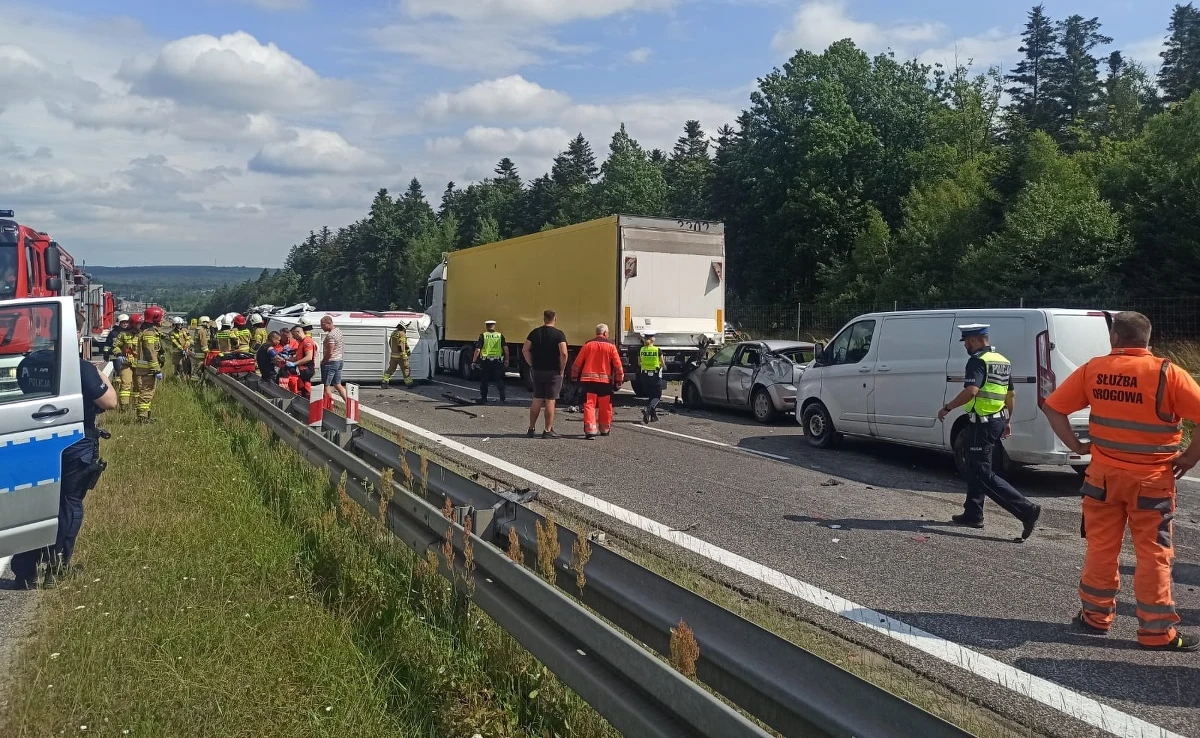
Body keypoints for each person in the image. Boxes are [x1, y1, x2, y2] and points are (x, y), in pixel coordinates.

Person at [1042, 311, 1200, 651]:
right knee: (1153, 555)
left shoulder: (1094, 369)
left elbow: (1053, 407)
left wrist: (1076, 446)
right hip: (1152, 482)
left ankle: (1095, 617)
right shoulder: (1167, 373)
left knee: (1101, 548)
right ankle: (1157, 633)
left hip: (1102, 478)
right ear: (1147, 340)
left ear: (1114, 338)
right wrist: (1189, 458)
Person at [11, 322, 117, 589]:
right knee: (69, 503)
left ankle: (25, 572)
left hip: (35, 442)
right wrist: (100, 376)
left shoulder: (27, 365)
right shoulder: (79, 368)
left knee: (33, 503)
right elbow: (110, 402)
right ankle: (56, 567)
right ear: (74, 335)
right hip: (75, 441)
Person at [937, 324, 1041, 539]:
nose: (965, 345)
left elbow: (971, 390)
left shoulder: (977, 361)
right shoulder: (1002, 361)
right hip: (997, 421)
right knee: (977, 466)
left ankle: (1026, 510)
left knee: (981, 473)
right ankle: (973, 514)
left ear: (974, 340)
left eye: (966, 342)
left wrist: (948, 407)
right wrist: (1007, 421)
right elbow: (1010, 394)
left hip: (982, 424)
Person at [571, 324, 624, 440]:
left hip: (589, 381)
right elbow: (618, 366)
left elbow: (577, 363)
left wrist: (574, 376)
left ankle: (590, 430)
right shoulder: (611, 346)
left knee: (589, 405)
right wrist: (619, 380)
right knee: (605, 405)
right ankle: (605, 429)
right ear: (605, 333)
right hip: (605, 381)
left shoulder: (588, 345)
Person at [522, 310, 568, 438]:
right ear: (555, 318)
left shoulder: (535, 333)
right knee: (550, 400)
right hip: (553, 371)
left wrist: (531, 363)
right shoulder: (559, 334)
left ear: (544, 319)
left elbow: (525, 349)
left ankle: (531, 428)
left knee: (537, 398)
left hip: (537, 371)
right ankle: (547, 430)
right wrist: (562, 368)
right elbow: (563, 353)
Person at [133, 306, 165, 423]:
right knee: (146, 392)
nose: (162, 321)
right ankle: (142, 417)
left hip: (148, 368)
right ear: (155, 318)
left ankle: (146, 415)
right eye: (161, 318)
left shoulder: (150, 332)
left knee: (149, 392)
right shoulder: (149, 334)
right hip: (148, 368)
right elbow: (150, 352)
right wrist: (156, 369)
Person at [473, 319, 508, 404]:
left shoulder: (483, 336)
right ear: (494, 326)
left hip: (486, 361)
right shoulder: (500, 336)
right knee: (498, 379)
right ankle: (502, 398)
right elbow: (505, 348)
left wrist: (474, 361)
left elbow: (478, 350)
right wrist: (507, 359)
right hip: (497, 361)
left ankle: (484, 398)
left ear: (486, 326)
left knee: (484, 380)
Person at [113, 313, 141, 411]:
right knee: (126, 384)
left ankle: (137, 406)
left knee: (138, 386)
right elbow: (116, 346)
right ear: (133, 324)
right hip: (126, 364)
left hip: (139, 364)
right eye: (138, 323)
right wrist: (119, 354)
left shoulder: (142, 335)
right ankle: (124, 407)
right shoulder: (124, 335)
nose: (140, 325)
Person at [319, 315, 348, 406]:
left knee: (326, 385)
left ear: (329, 323)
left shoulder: (331, 335)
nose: (321, 327)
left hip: (331, 362)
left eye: (323, 325)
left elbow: (330, 351)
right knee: (337, 384)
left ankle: (328, 406)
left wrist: (323, 361)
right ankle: (349, 403)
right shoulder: (338, 331)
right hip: (339, 360)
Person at [638, 331, 664, 424]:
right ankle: (648, 409)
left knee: (651, 396)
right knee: (657, 396)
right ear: (653, 339)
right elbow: (663, 364)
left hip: (644, 376)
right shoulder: (657, 350)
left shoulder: (641, 350)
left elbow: (639, 363)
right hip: (655, 375)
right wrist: (663, 366)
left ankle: (653, 416)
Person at [382, 321, 413, 388]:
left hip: (393, 356)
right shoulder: (402, 333)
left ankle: (385, 382)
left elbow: (390, 342)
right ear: (404, 326)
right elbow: (400, 345)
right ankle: (409, 384)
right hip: (401, 356)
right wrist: (403, 355)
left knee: (391, 369)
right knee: (406, 369)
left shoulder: (394, 333)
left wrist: (407, 350)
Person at [292, 322, 317, 398]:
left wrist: (295, 363)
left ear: (298, 332)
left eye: (293, 335)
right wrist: (287, 359)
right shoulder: (301, 342)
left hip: (307, 368)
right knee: (302, 387)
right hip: (302, 369)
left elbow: (308, 357)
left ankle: (308, 402)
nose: (293, 337)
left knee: (306, 388)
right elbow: (299, 356)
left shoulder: (307, 342)